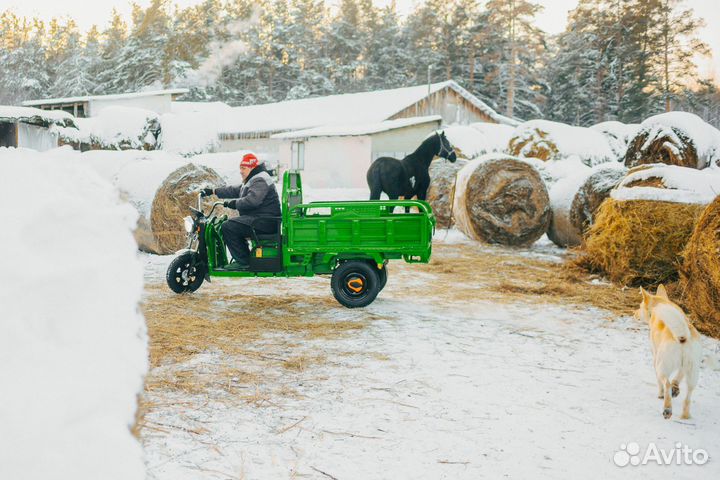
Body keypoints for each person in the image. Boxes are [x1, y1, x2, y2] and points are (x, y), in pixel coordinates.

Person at [202, 153, 281, 270]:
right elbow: (235, 190)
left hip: (265, 221)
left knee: (228, 226)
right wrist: (213, 191)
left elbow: (252, 201)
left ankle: (243, 261)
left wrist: (234, 203)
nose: (241, 171)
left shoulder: (260, 180)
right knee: (231, 225)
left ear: (252, 168)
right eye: (240, 168)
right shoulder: (253, 179)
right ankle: (245, 258)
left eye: (243, 168)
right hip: (260, 219)